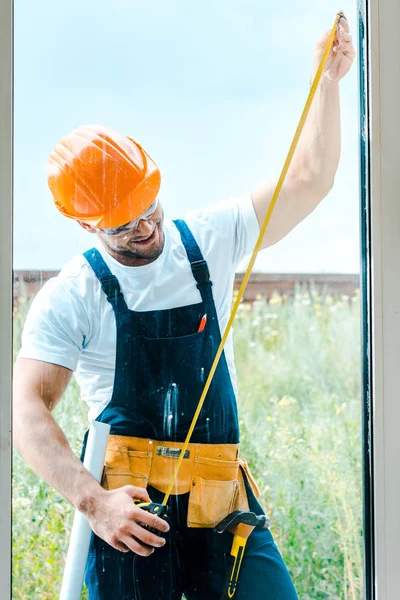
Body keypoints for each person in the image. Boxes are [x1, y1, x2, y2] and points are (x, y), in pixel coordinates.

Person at [13, 16, 355, 600]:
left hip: (223, 507)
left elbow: (308, 181)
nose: (146, 227)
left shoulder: (210, 240)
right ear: (82, 222)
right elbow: (27, 411)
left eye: (150, 207)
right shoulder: (74, 295)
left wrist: (330, 81)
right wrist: (94, 503)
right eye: (123, 223)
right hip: (133, 522)